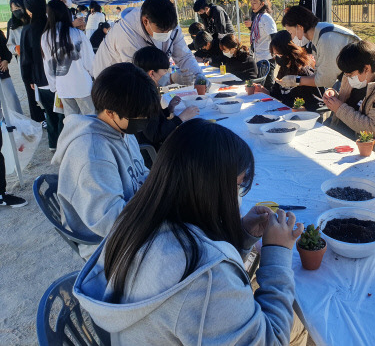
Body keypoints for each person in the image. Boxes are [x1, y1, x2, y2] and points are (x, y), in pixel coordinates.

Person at [73, 118, 306, 345]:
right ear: (209, 190)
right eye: (238, 185)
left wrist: (242, 233)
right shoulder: (206, 279)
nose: (238, 194)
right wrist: (277, 253)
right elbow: (272, 340)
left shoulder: (137, 215)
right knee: (302, 324)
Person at [52, 62, 161, 259]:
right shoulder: (91, 152)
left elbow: (140, 174)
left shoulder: (120, 129)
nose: (143, 120)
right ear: (110, 112)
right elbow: (109, 220)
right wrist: (159, 211)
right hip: (107, 245)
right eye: (138, 116)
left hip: (132, 218)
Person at [94, 0, 205, 85]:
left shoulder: (172, 24)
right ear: (145, 21)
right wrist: (170, 78)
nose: (166, 35)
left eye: (169, 30)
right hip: (113, 82)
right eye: (161, 31)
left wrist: (198, 74)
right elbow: (137, 73)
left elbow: (184, 55)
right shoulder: (126, 34)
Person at [323, 41, 375, 158]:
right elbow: (350, 104)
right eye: (345, 74)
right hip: (340, 137)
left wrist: (339, 108)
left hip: (369, 152)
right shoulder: (357, 80)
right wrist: (334, 96)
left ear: (366, 68)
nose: (347, 77)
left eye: (350, 74)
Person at [133, 46, 199, 150]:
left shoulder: (142, 88)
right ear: (152, 73)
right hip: (152, 152)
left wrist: (168, 110)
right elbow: (155, 135)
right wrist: (181, 118)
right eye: (164, 71)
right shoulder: (146, 96)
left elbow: (152, 121)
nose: (166, 74)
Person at [278, 6, 359, 89]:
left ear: (299, 27)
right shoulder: (318, 36)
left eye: (291, 32)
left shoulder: (326, 39)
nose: (291, 38)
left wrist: (297, 80)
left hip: (360, 81)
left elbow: (325, 80)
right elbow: (319, 74)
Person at [21, 0, 63, 151]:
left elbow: (25, 59)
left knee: (50, 114)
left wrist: (28, 79)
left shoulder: (28, 30)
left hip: (40, 80)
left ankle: (53, 144)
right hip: (59, 78)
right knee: (62, 114)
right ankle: (63, 145)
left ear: (30, 10)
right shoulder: (53, 25)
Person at [41, 0, 95, 116]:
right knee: (90, 118)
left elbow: (48, 65)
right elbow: (90, 61)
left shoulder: (45, 37)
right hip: (82, 84)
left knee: (71, 121)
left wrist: (53, 85)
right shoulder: (77, 34)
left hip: (63, 86)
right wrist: (94, 75)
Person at [254, 30, 323, 111]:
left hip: (304, 118)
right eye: (275, 54)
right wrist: (264, 91)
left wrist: (304, 109)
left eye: (279, 54)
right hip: (286, 113)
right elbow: (277, 94)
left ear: (290, 51)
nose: (277, 58)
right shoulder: (284, 68)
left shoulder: (303, 71)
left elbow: (318, 103)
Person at [7, 0, 41, 122]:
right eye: (13, 9)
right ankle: (37, 118)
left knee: (42, 88)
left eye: (18, 8)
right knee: (30, 90)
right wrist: (16, 49)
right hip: (24, 62)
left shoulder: (32, 20)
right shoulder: (12, 24)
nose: (16, 11)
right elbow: (9, 44)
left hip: (38, 59)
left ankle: (47, 112)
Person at [250, 0, 277, 90]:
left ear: (262, 3)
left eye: (255, 3)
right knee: (260, 86)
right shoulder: (257, 17)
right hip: (259, 57)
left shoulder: (266, 18)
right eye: (251, 3)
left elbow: (274, 36)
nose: (252, 5)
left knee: (268, 86)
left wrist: (274, 53)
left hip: (267, 57)